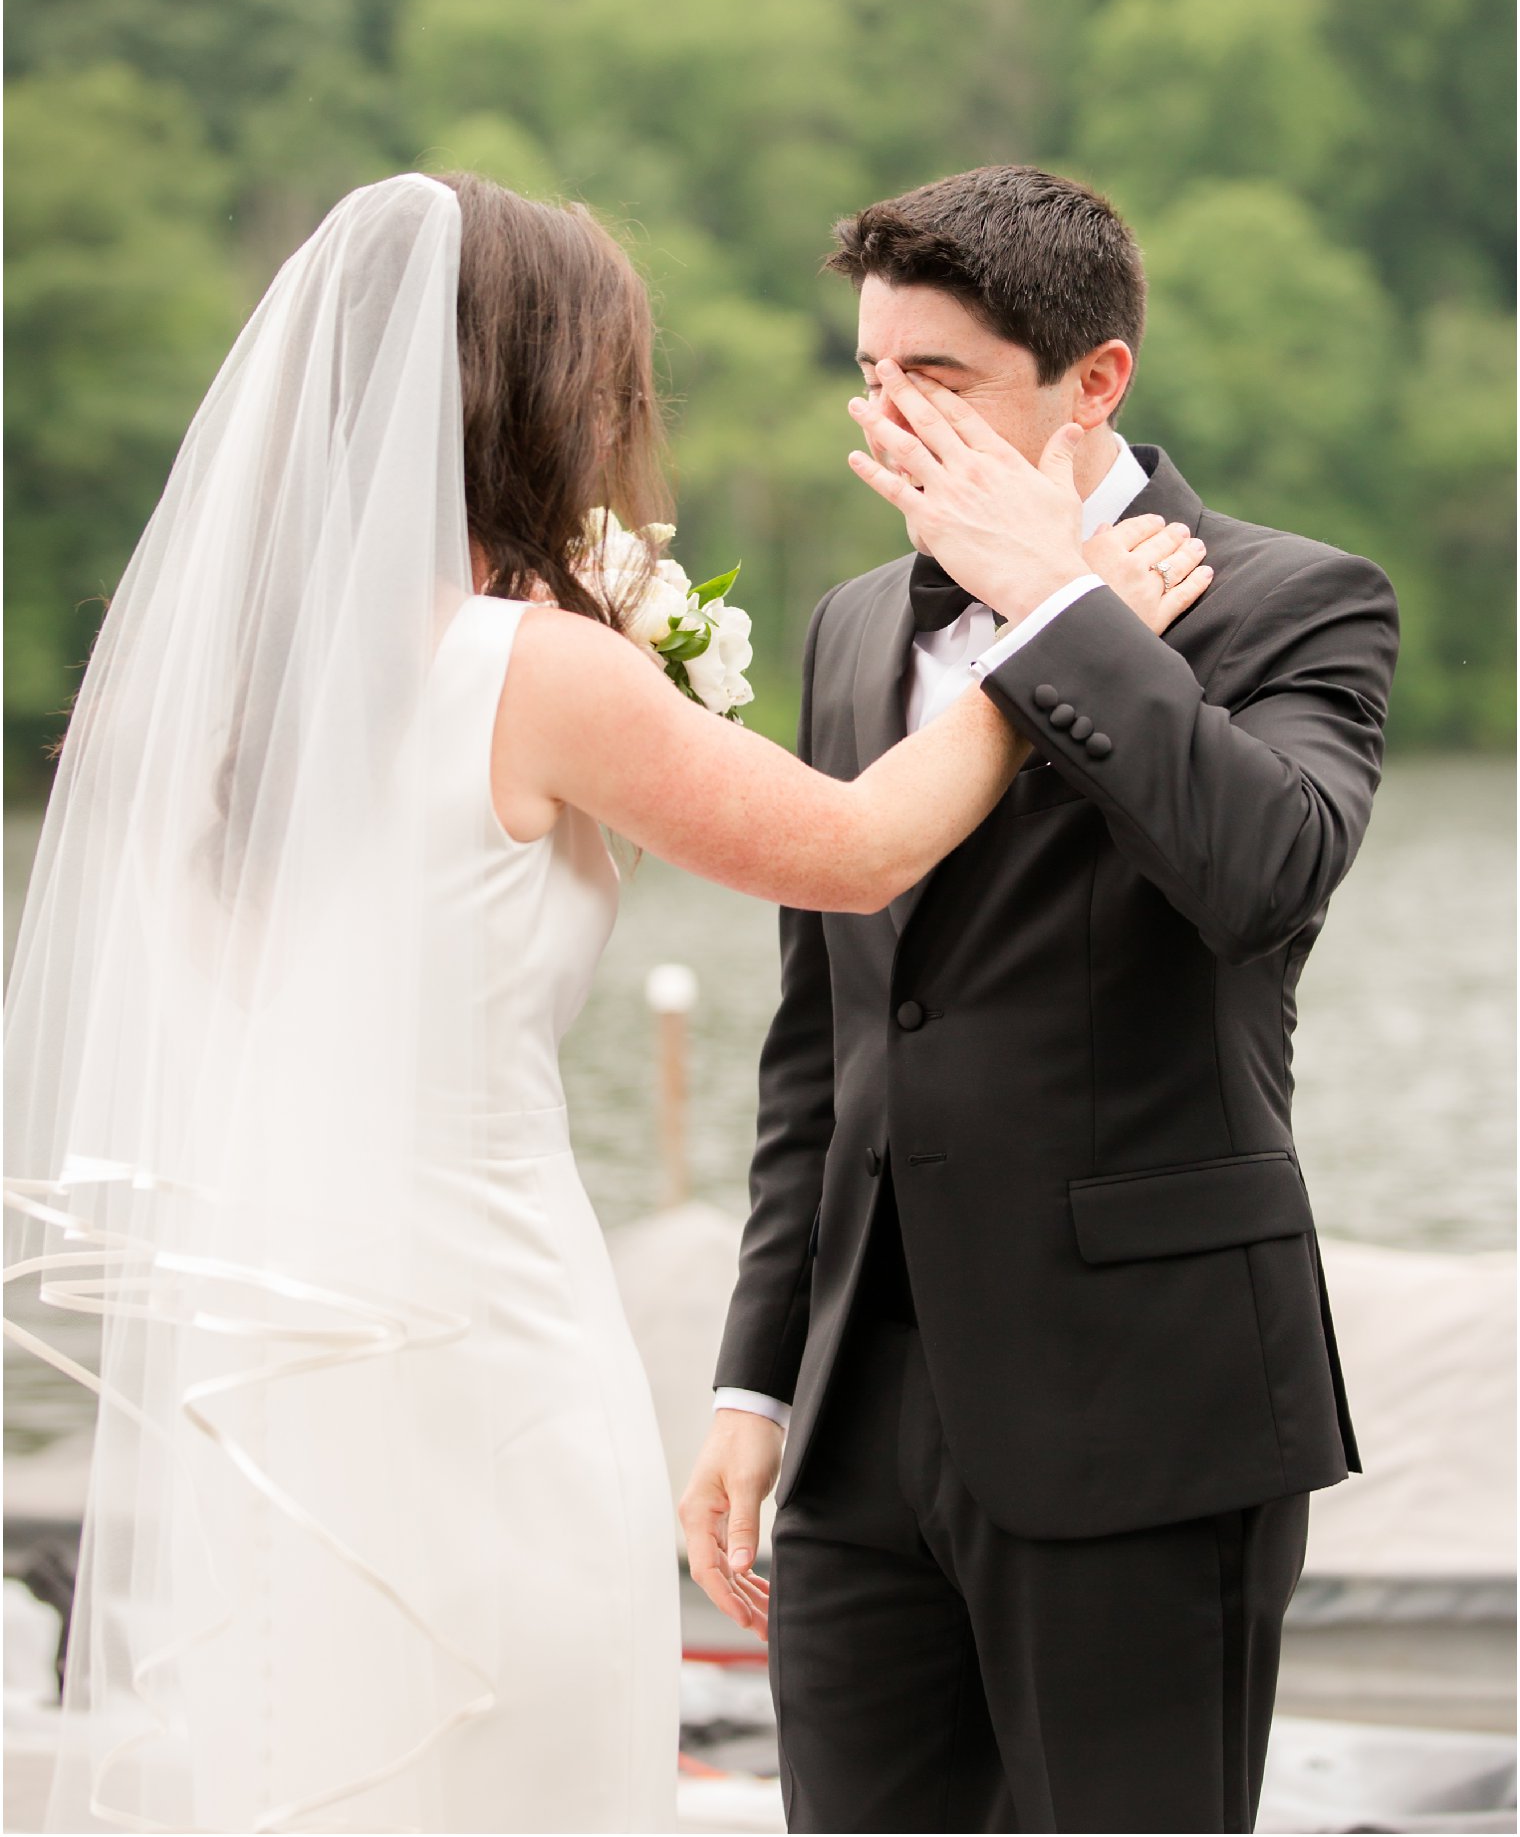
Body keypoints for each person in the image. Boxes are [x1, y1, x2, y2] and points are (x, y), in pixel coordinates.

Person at [3, 171, 1206, 1836]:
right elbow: (854, 851)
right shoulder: (532, 671)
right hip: (483, 1327)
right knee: (535, 1759)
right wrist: (1073, 640)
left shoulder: (214, 708)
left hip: (284, 1336)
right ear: (541, 392)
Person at [683, 164, 1400, 1835]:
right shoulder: (852, 626)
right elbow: (826, 1046)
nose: (893, 421)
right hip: (863, 1430)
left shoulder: (1298, 600)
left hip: (1142, 1407)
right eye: (873, 375)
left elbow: (1266, 872)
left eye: (939, 379)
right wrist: (754, 1383)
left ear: (1097, 383)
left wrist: (1059, 608)